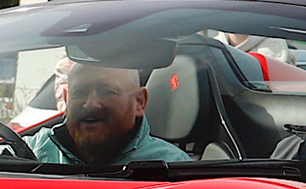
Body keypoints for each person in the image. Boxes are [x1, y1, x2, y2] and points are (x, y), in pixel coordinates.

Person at [28, 58, 188, 165]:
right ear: (66, 99)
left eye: (108, 92)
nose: (90, 104)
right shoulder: (33, 150)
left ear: (139, 101)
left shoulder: (172, 168)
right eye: (80, 93)